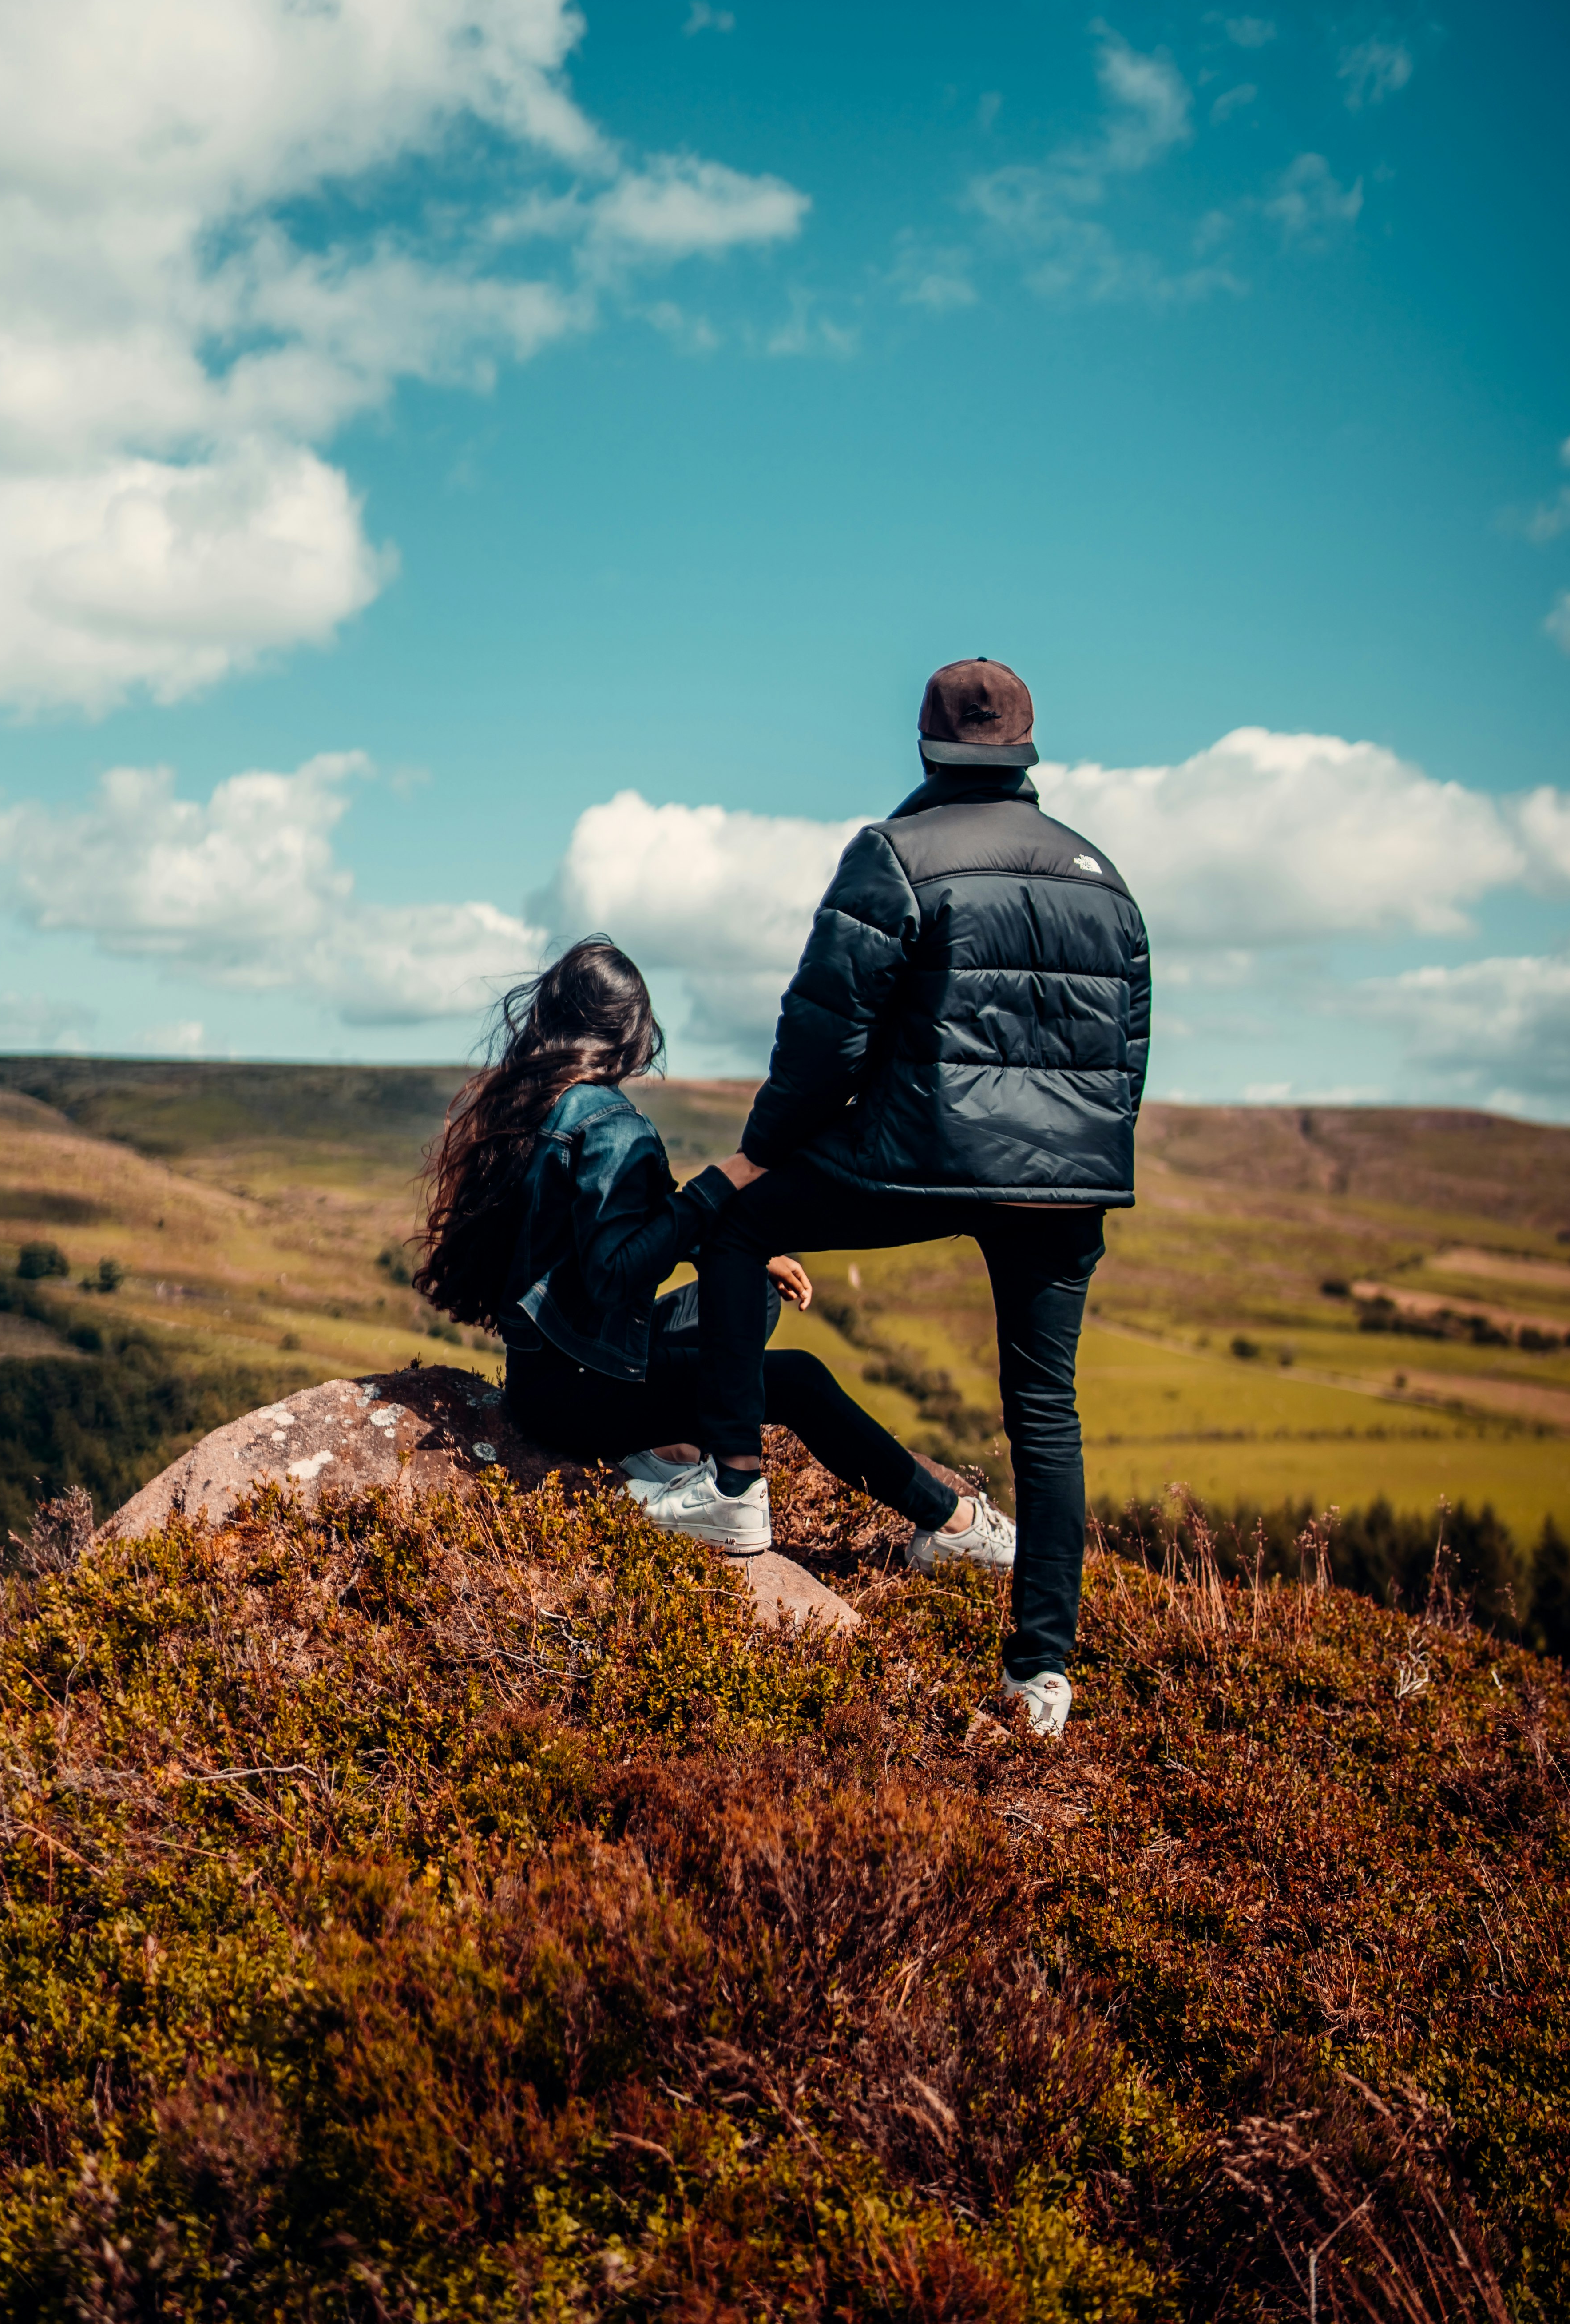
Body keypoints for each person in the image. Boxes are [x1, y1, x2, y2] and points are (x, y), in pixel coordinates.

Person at [692, 659, 1150, 1733]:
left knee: (736, 1224)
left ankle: (733, 1494)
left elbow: (823, 1029)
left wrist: (766, 1148)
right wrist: (1088, 1158)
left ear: (924, 745)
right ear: (1026, 752)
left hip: (917, 1152)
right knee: (1046, 1416)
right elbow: (1127, 1053)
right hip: (1067, 1184)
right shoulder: (1105, 878)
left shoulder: (894, 856)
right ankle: (1039, 1676)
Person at [414, 936, 995, 1560]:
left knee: (749, 1302)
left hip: (552, 1374)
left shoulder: (535, 1107)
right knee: (799, 1379)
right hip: (581, 1394)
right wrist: (730, 1177)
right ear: (633, 1033)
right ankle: (952, 1525)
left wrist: (747, 1249)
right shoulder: (609, 1122)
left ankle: (666, 1452)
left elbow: (622, 1220)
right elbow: (614, 1273)